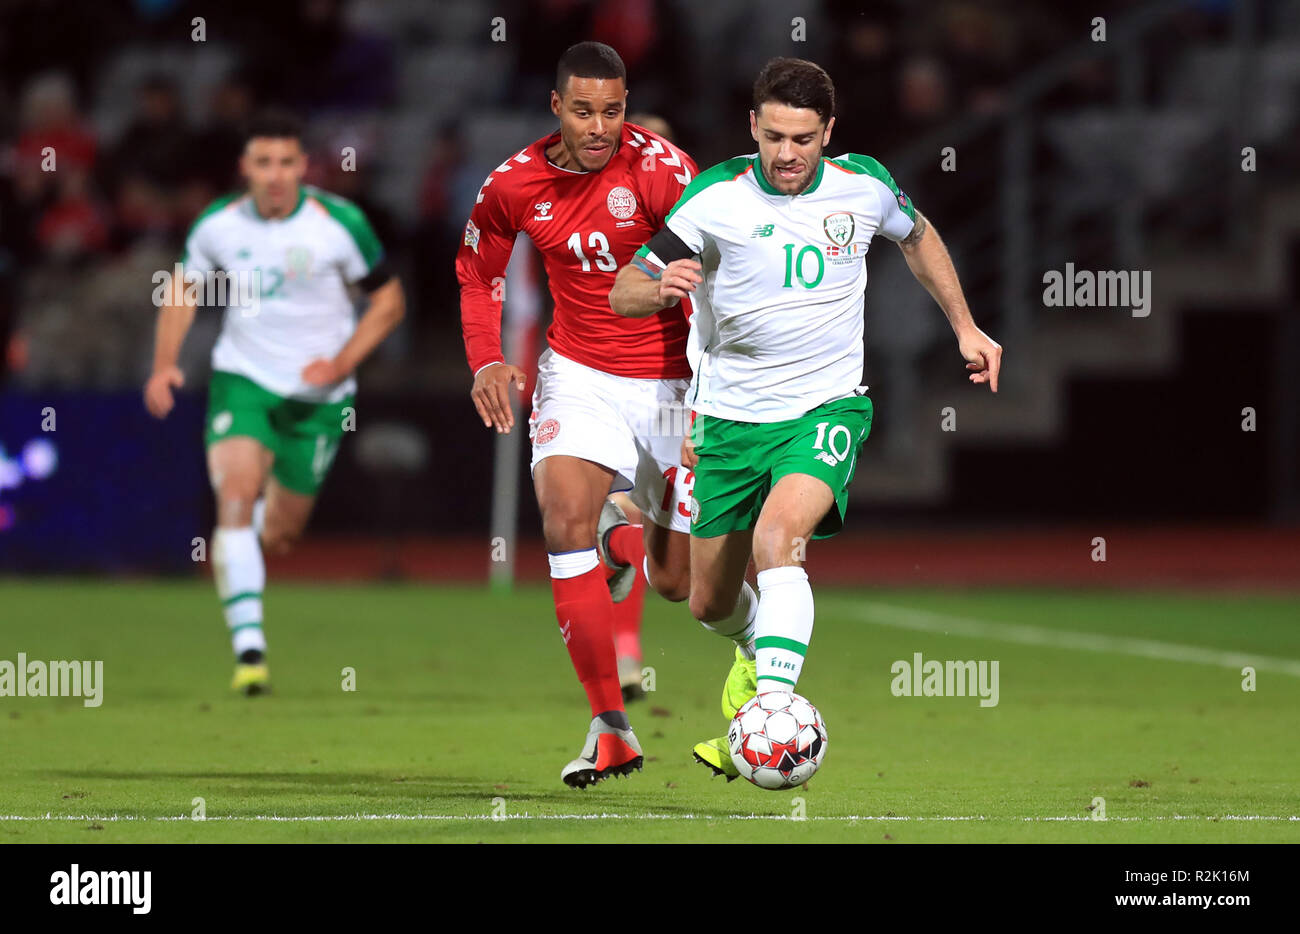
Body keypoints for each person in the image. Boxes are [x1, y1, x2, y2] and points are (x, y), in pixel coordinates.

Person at [609, 57, 1002, 778]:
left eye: (804, 138)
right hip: (727, 422)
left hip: (824, 409)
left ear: (829, 132)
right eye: (775, 136)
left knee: (779, 536)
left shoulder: (865, 185)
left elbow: (917, 236)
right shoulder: (714, 199)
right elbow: (623, 292)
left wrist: (965, 326)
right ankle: (754, 648)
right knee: (705, 602)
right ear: (752, 126)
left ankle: (772, 709)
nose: (788, 155)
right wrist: (659, 287)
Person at [456, 42, 704, 788]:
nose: (601, 128)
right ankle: (610, 727)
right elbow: (476, 272)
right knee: (563, 520)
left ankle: (625, 542)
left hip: (672, 386)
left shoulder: (665, 170)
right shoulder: (513, 183)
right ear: (557, 108)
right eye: (586, 111)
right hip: (580, 373)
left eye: (614, 111)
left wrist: (712, 398)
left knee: (677, 584)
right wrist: (486, 358)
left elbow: (720, 284)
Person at [144, 110, 405, 696]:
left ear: (303, 166)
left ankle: (246, 550)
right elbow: (182, 290)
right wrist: (165, 364)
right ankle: (249, 649)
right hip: (244, 381)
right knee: (234, 495)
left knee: (282, 534)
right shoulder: (217, 225)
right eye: (264, 162)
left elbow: (389, 303)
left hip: (318, 398)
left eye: (287, 162)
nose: (276, 174)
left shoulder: (339, 223)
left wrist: (340, 363)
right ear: (246, 168)